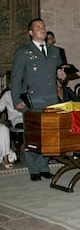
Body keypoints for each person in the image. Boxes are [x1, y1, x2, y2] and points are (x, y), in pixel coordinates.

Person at [11, 18, 66, 181]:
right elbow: (15, 79)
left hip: (51, 99)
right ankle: (33, 169)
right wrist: (16, 100)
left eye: (43, 26)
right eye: (38, 27)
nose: (42, 29)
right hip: (33, 100)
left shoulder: (54, 51)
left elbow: (59, 75)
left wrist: (62, 77)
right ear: (31, 32)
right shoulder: (23, 52)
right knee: (33, 136)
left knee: (49, 135)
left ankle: (43, 166)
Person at [0, 89, 23, 169]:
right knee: (4, 128)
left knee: (3, 129)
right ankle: (5, 158)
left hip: (30, 117)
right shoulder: (8, 94)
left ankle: (5, 157)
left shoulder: (28, 91)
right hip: (17, 120)